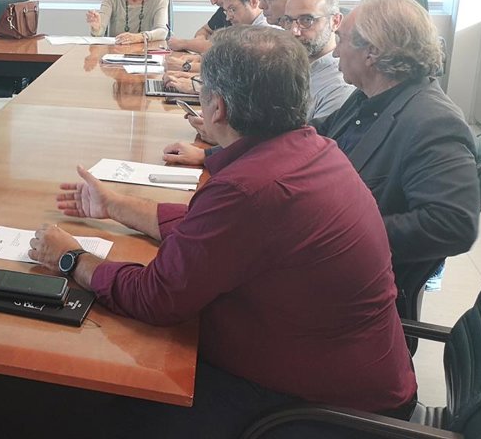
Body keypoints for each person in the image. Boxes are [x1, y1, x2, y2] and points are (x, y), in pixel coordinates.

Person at [31, 26, 416, 437]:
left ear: (217, 107)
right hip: (350, 375)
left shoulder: (250, 189)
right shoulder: (313, 150)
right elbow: (211, 234)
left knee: (93, 403)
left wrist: (72, 258)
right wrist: (115, 205)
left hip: (322, 410)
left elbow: (156, 298)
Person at [163, 0, 479, 319]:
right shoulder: (368, 98)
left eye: (342, 40)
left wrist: (342, 232)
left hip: (345, 288)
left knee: (189, 287)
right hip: (313, 255)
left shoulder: (433, 122)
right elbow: (304, 135)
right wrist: (215, 151)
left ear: (372, 52)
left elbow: (453, 225)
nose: (336, 50)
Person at [281, 0, 355, 119]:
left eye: (306, 20)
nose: (294, 31)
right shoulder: (286, 67)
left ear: (335, 21)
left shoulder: (340, 86)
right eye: (289, 21)